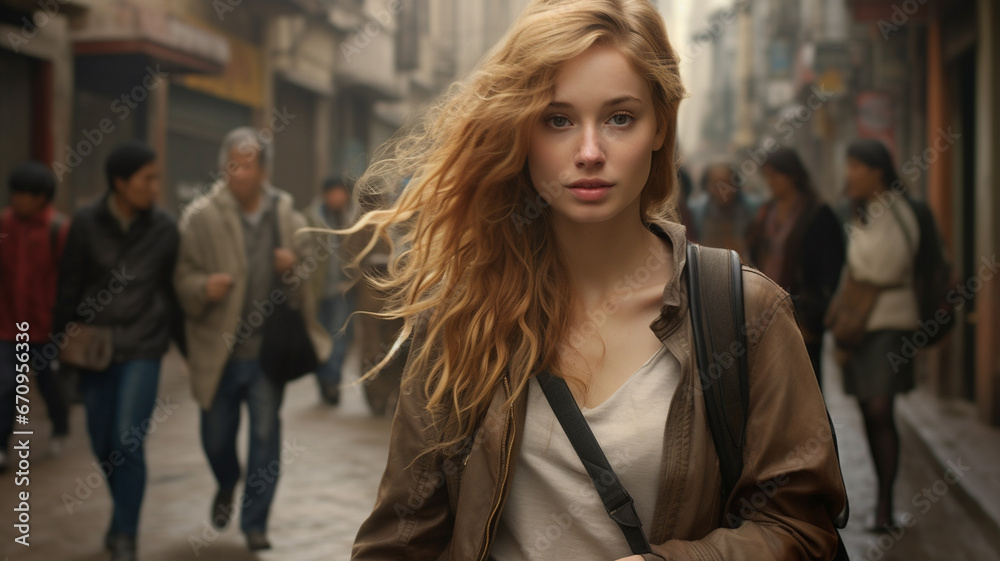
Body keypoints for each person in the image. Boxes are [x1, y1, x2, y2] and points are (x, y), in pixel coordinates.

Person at [350, 1, 846, 560]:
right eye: (558, 120)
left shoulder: (744, 311)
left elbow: (804, 532)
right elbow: (401, 540)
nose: (590, 152)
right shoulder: (465, 316)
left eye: (620, 118)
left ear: (660, 126)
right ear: (522, 131)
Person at [174, 127, 330, 551]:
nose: (237, 173)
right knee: (216, 437)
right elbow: (182, 277)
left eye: (246, 164)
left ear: (263, 170)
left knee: (265, 437)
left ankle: (255, 523)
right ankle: (227, 482)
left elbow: (310, 285)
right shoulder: (201, 216)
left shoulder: (288, 217)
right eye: (231, 164)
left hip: (267, 353)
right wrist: (201, 286)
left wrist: (293, 267)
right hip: (219, 351)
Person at [51, 141, 182, 561]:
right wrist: (58, 347)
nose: (155, 187)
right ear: (120, 183)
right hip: (94, 349)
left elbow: (173, 292)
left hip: (143, 345)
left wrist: (194, 354)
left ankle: (126, 533)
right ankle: (119, 517)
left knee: (127, 440)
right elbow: (69, 287)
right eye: (148, 179)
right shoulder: (86, 223)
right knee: (101, 442)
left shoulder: (163, 227)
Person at [840, 138, 920, 532]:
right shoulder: (864, 213)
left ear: (876, 171)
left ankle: (886, 504)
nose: (848, 175)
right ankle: (882, 502)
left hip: (890, 324)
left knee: (879, 410)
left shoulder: (898, 211)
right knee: (869, 415)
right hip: (861, 327)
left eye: (855, 167)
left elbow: (880, 267)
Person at [747, 147, 845, 388]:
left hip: (802, 314)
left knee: (804, 385)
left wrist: (813, 319)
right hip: (764, 313)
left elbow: (829, 270)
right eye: (767, 176)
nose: (771, 182)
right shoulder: (766, 212)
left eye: (776, 175)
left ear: (792, 175)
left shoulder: (817, 213)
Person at [0, 162, 71, 471]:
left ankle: (60, 425)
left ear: (42, 197)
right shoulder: (4, 225)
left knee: (49, 385)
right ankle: (1, 447)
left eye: (25, 195)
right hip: (6, 326)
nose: (18, 200)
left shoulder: (59, 228)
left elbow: (70, 279)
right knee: (5, 386)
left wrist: (64, 323)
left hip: (45, 328)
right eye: (15, 194)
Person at [305, 175, 357, 405]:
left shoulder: (354, 218)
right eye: (333, 192)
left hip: (341, 290)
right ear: (325, 195)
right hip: (315, 291)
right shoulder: (310, 218)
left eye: (341, 192)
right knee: (317, 339)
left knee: (338, 338)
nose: (337, 197)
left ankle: (332, 382)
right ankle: (324, 381)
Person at [689, 160, 761, 261]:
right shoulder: (696, 211)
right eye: (716, 184)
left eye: (727, 183)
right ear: (707, 186)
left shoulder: (753, 209)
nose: (723, 190)